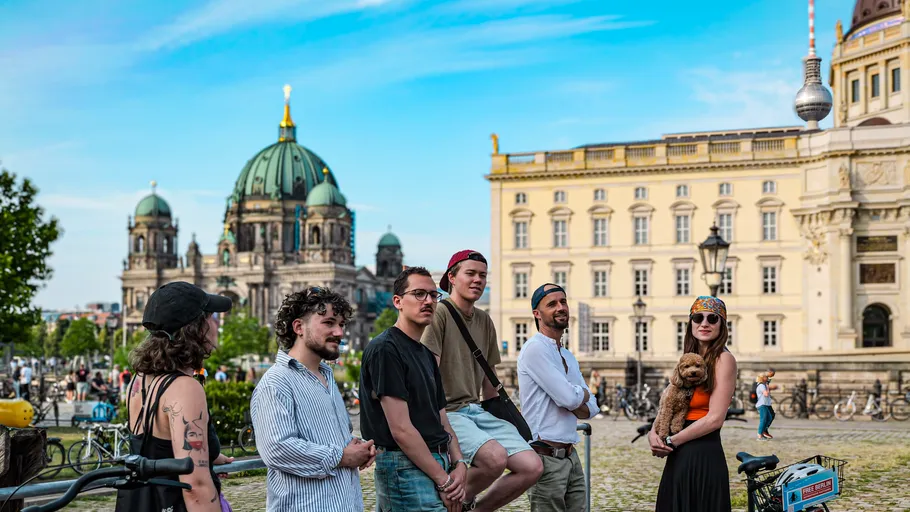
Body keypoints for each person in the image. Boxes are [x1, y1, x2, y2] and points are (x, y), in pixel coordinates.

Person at [421, 250, 542, 512]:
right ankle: (451, 500)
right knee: (494, 459)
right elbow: (428, 375)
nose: (478, 280)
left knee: (532, 467)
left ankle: (473, 508)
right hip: (448, 411)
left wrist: (504, 418)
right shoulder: (439, 314)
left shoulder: (485, 320)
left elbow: (490, 384)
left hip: (474, 409)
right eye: (471, 273)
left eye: (483, 275)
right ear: (451, 277)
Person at [115, 281, 235, 512]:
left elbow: (158, 445)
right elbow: (196, 486)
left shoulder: (141, 379)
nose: (217, 325)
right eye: (211, 317)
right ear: (197, 327)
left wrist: (210, 454)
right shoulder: (184, 388)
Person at [251, 287, 374, 512]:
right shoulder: (276, 382)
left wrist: (355, 447)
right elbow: (277, 449)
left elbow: (333, 438)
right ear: (298, 327)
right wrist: (342, 456)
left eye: (341, 324)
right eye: (328, 323)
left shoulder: (326, 376)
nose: (339, 332)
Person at [361, 267, 469, 512]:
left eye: (433, 295)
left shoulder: (426, 355)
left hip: (437, 461)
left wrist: (459, 462)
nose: (429, 301)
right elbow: (401, 429)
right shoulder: (386, 349)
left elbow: (442, 418)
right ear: (398, 301)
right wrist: (443, 480)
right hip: (404, 465)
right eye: (419, 294)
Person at [651, 296, 737, 512]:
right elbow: (670, 402)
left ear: (722, 325)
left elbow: (715, 419)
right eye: (698, 318)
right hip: (680, 452)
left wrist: (671, 441)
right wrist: (654, 432)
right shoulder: (691, 358)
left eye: (712, 318)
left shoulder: (723, 360)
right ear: (691, 323)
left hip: (702, 452)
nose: (704, 323)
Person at [518, 284, 598, 512]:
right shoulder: (534, 349)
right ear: (537, 313)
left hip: (571, 456)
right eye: (551, 304)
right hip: (545, 456)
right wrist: (580, 394)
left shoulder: (567, 355)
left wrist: (575, 397)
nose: (561, 307)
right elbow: (571, 399)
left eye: (563, 302)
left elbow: (592, 408)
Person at [756, 374, 773, 440]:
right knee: (763, 419)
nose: (767, 378)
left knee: (769, 418)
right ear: (762, 378)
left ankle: (762, 431)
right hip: (762, 405)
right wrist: (768, 386)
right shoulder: (761, 385)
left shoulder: (763, 385)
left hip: (765, 404)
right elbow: (766, 394)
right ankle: (759, 435)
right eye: (766, 377)